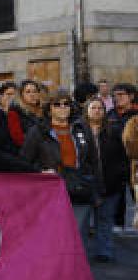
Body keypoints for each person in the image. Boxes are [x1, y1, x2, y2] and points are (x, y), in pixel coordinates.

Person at [21, 93, 99, 249]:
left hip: (79, 190)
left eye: (66, 104)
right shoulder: (37, 132)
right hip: (50, 192)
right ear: (49, 109)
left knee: (75, 238)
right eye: (57, 104)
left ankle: (72, 272)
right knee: (53, 237)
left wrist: (97, 189)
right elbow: (24, 162)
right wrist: (41, 172)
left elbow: (94, 161)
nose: (63, 108)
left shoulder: (81, 128)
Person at [78, 96, 127, 262]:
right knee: (82, 222)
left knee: (105, 220)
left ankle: (104, 252)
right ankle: (79, 255)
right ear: (87, 110)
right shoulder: (77, 129)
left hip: (110, 183)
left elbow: (123, 156)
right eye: (93, 108)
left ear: (104, 111)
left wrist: (121, 177)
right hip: (85, 184)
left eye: (100, 108)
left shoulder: (114, 130)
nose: (97, 110)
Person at [6, 79, 45, 148]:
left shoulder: (44, 111)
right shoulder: (14, 112)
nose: (32, 95)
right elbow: (19, 140)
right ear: (21, 95)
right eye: (28, 92)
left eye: (35, 91)